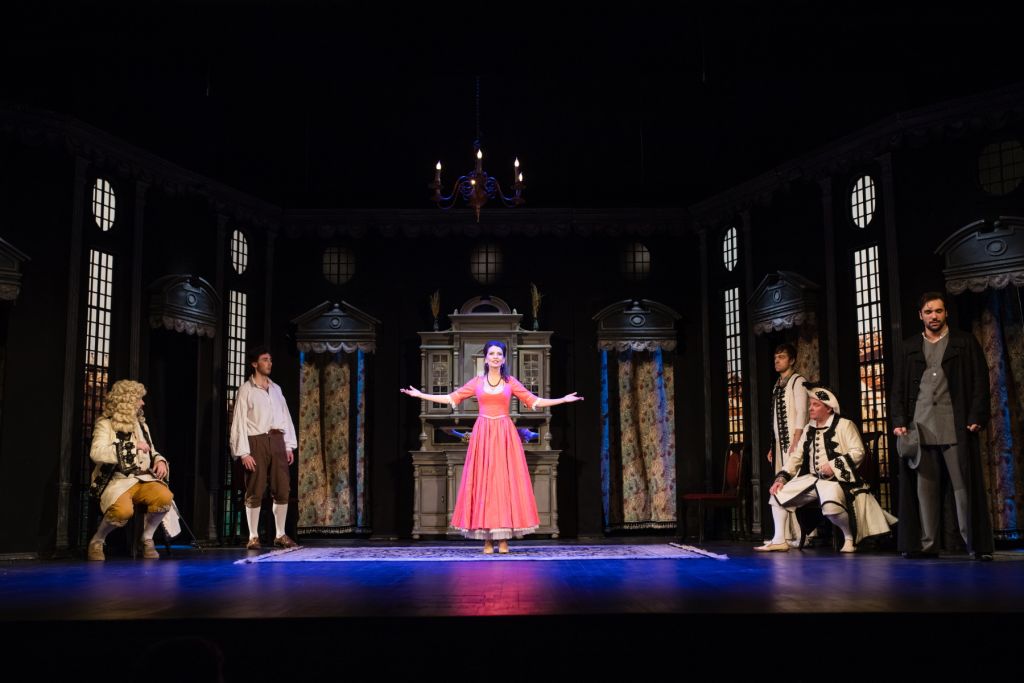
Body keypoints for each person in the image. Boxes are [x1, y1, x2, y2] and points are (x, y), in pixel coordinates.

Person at [401, 340, 582, 554]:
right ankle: (487, 539)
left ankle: (503, 538)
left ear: (504, 359)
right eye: (492, 353)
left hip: (505, 434)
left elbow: (535, 400)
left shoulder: (510, 382)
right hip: (483, 434)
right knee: (484, 483)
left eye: (499, 354)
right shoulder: (477, 382)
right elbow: (451, 398)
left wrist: (563, 400)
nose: (496, 357)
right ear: (486, 358)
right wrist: (420, 395)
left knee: (503, 483)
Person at [890, 292, 993, 560]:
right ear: (920, 315)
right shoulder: (910, 347)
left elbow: (980, 382)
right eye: (928, 312)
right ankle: (927, 544)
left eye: (938, 311)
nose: (933, 316)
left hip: (954, 425)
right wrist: (899, 421)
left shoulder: (964, 342)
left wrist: (977, 415)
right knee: (925, 491)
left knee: (963, 489)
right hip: (920, 426)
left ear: (946, 313)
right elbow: (898, 387)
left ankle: (974, 544)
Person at [755, 385, 896, 553]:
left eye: (816, 405)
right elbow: (796, 457)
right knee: (777, 493)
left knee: (831, 508)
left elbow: (858, 452)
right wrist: (781, 478)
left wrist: (834, 465)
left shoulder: (844, 425)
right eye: (810, 404)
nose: (810, 408)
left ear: (829, 408)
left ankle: (849, 538)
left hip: (837, 480)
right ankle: (779, 540)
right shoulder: (808, 428)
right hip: (814, 479)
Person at [87, 380, 173, 560]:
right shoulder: (106, 424)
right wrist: (132, 447)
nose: (143, 403)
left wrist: (160, 460)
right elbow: (96, 453)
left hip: (142, 479)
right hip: (116, 480)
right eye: (139, 399)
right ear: (127, 401)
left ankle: (146, 538)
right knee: (122, 511)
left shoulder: (141, 425)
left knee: (165, 497)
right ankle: (98, 540)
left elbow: (151, 450)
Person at [229, 346, 299, 550]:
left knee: (282, 488)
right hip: (256, 441)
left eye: (270, 359)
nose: (269, 363)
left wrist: (288, 445)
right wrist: (243, 452)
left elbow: (285, 416)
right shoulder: (246, 389)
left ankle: (280, 534)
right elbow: (239, 421)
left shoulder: (276, 389)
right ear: (254, 364)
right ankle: (253, 536)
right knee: (255, 488)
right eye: (265, 359)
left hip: (277, 440)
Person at [765, 343, 807, 547]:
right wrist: (773, 446)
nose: (777, 361)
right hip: (781, 444)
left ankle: (800, 534)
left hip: (793, 442)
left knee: (793, 486)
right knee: (781, 485)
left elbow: (802, 412)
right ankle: (785, 534)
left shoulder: (798, 381)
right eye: (776, 357)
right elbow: (775, 420)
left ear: (791, 360)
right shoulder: (778, 385)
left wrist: (797, 440)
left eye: (781, 357)